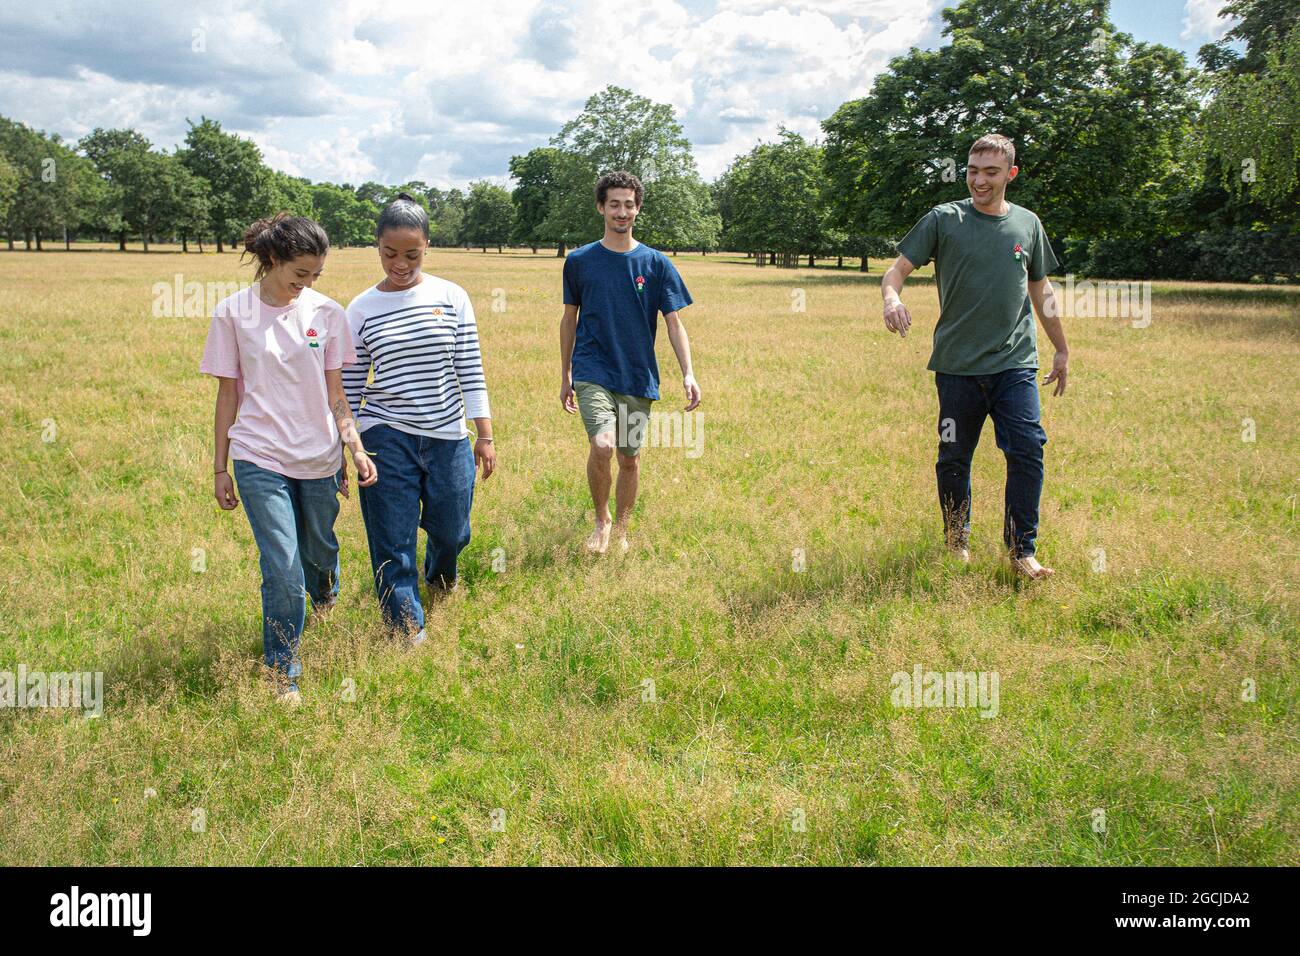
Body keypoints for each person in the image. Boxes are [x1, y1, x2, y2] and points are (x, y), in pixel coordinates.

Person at [201, 213, 376, 706]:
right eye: (300, 273)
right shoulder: (232, 314)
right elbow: (227, 396)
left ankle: (325, 589)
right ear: (273, 259)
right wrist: (220, 467)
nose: (307, 284)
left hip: (319, 455)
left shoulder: (327, 313)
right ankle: (284, 672)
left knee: (317, 550)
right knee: (282, 566)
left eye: (316, 275)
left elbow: (336, 393)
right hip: (258, 455)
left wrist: (354, 446)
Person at [880, 134, 1069, 580]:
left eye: (990, 172)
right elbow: (897, 270)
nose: (979, 180)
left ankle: (1022, 551)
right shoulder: (945, 219)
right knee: (953, 456)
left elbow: (1042, 290)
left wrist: (1061, 348)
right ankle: (956, 540)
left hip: (1015, 364)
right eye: (972, 171)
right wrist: (891, 299)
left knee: (1027, 449)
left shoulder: (1028, 225)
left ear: (1011, 174)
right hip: (957, 368)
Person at [342, 193, 496, 646]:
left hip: (447, 434)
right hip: (385, 434)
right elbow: (349, 388)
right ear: (377, 247)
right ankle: (406, 628)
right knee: (392, 538)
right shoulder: (361, 309)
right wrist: (346, 448)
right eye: (390, 254)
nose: (400, 263)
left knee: (453, 529)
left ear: (427, 245)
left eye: (412, 254)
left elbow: (470, 366)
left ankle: (439, 574)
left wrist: (483, 435)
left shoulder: (451, 296)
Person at [559, 170, 700, 555]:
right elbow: (569, 318)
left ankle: (622, 528)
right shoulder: (580, 261)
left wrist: (688, 373)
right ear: (601, 207)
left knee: (629, 459)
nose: (622, 212)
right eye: (614, 204)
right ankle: (601, 520)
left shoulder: (656, 264)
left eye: (629, 205)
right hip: (592, 369)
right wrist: (566, 372)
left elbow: (674, 322)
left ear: (637, 209)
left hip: (638, 375)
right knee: (603, 446)